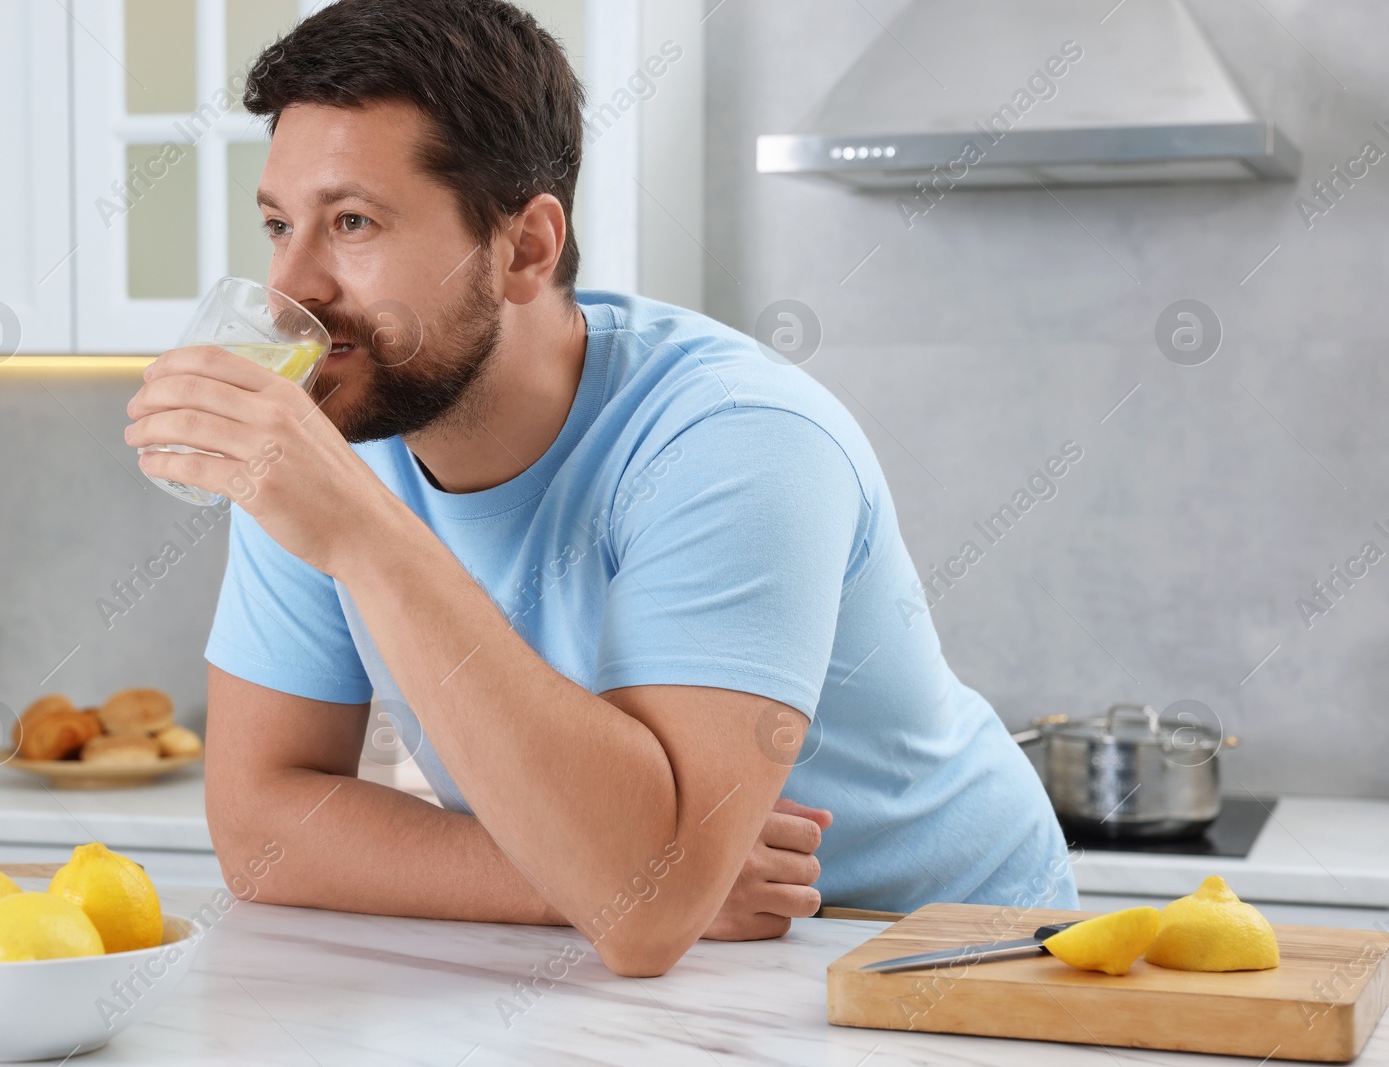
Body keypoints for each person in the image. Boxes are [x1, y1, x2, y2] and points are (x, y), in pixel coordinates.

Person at [124, 0, 1075, 978]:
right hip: (690, 961)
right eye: (280, 225)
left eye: (353, 222)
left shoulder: (738, 438)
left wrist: (364, 536)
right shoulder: (335, 432)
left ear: (527, 248)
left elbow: (645, 917)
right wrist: (602, 876)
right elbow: (259, 824)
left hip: (955, 954)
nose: (292, 288)